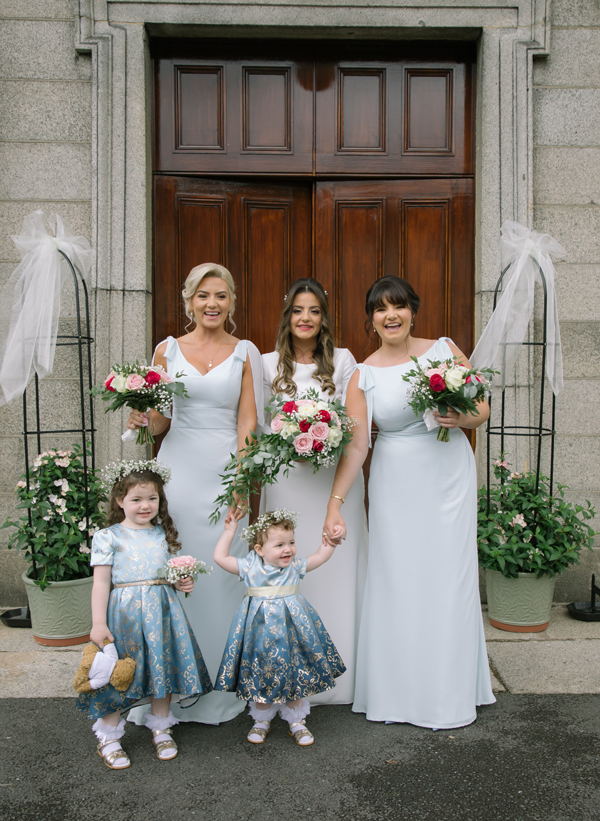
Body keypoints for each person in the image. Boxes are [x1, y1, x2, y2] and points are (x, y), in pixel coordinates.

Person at [323, 275, 496, 729]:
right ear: (371, 319)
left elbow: (482, 409)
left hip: (448, 479)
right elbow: (356, 446)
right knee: (399, 578)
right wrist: (335, 502)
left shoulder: (444, 349)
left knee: (448, 577)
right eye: (380, 309)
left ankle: (448, 691)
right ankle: (399, 691)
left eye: (398, 306)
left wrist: (460, 417)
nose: (390, 315)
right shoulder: (363, 374)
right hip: (395, 482)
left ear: (412, 312)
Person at [126, 263, 263, 725]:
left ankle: (221, 687)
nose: (212, 304)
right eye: (203, 295)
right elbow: (161, 421)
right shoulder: (166, 351)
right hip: (179, 472)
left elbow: (247, 422)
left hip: (225, 473)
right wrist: (142, 419)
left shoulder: (245, 352)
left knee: (224, 572)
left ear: (231, 302)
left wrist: (240, 479)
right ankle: (171, 685)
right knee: (174, 569)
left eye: (221, 295)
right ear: (189, 301)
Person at [261, 278, 367, 705]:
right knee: (287, 569)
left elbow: (354, 427)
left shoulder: (343, 362)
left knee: (334, 568)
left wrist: (323, 437)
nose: (305, 318)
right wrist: (287, 438)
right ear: (287, 316)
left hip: (332, 482)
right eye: (298, 310)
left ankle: (342, 678)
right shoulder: (266, 364)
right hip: (285, 480)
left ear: (324, 318)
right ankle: (288, 676)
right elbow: (254, 425)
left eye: (314, 311)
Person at [76, 459, 212, 769]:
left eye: (152, 498)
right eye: (136, 499)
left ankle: (161, 728)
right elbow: (101, 583)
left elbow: (171, 576)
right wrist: (98, 623)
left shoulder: (162, 534)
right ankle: (109, 737)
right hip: (123, 616)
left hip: (162, 613)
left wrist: (183, 582)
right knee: (119, 674)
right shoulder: (108, 536)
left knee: (161, 668)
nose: (145, 505)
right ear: (119, 500)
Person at [213, 509, 346, 746]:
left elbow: (319, 557)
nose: (288, 549)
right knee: (260, 672)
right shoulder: (250, 566)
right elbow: (220, 558)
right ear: (259, 549)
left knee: (295, 670)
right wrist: (230, 531)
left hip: (292, 629)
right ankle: (261, 720)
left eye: (291, 543)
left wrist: (330, 543)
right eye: (280, 545)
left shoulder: (294, 566)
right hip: (259, 633)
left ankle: (297, 721)